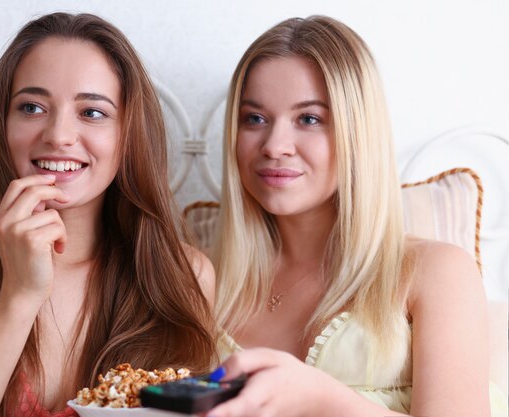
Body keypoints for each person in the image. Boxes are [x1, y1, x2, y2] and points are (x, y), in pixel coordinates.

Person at [0, 12, 217, 417]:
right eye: (32, 107)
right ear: (3, 124)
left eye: (92, 112)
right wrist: (18, 296)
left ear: (128, 134)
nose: (58, 135)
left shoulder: (184, 275)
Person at [209, 15, 506, 417]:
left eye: (309, 119)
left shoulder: (435, 271)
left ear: (357, 132)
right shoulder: (202, 279)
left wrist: (322, 399)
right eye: (254, 119)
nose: (275, 145)